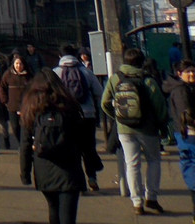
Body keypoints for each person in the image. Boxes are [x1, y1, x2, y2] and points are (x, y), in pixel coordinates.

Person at [101, 47, 169, 215]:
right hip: (147, 128)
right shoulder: (148, 80)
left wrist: (117, 117)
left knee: (132, 164)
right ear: (141, 62)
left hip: (124, 128)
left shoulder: (115, 79)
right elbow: (160, 106)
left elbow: (104, 102)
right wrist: (162, 125)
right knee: (153, 161)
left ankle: (136, 201)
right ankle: (151, 198)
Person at [19, 69, 86, 224]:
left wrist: (25, 173)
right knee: (68, 215)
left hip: (44, 169)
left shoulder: (30, 108)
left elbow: (25, 144)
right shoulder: (69, 105)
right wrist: (91, 165)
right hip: (69, 167)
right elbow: (83, 139)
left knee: (53, 209)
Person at [54, 44, 104, 191]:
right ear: (75, 56)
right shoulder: (86, 72)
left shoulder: (55, 73)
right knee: (88, 148)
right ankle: (92, 177)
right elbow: (99, 92)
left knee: (71, 149)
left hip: (65, 116)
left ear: (60, 56)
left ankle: (78, 182)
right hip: (87, 115)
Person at [164, 58, 195, 222]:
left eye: (193, 71)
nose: (191, 74)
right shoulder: (182, 91)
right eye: (188, 72)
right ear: (179, 74)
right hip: (189, 134)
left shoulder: (179, 88)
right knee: (192, 166)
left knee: (190, 166)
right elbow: (187, 114)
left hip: (183, 134)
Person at [1, 51, 33, 146]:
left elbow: (34, 89)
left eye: (20, 64)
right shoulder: (8, 74)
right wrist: (5, 100)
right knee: (15, 127)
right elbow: (2, 87)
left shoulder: (29, 76)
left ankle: (25, 145)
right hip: (13, 106)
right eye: (16, 63)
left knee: (26, 127)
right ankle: (21, 143)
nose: (18, 66)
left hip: (25, 107)